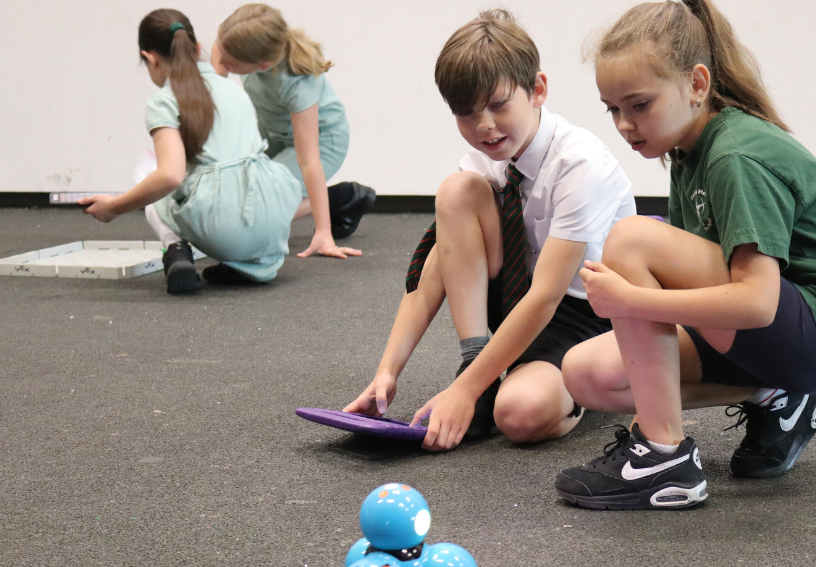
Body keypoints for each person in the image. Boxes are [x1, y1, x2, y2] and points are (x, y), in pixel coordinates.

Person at [555, 0, 816, 510]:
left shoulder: (734, 156)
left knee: (632, 238)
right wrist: (639, 308)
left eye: (638, 105)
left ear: (697, 85)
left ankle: (663, 459)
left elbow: (756, 304)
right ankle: (777, 397)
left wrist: (634, 301)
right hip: (770, 330)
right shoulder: (685, 152)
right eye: (612, 109)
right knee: (587, 375)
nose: (623, 124)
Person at [345, 10, 636, 451]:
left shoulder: (581, 165)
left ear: (537, 90)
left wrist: (465, 395)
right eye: (467, 113)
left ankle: (584, 390)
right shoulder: (483, 158)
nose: (484, 125)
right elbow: (434, 273)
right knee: (457, 192)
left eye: (499, 105)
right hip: (513, 298)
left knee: (518, 414)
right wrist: (387, 373)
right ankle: (475, 360)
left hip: (580, 315)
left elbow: (546, 296)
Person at [80, 9, 302, 293]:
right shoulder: (234, 89)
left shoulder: (164, 102)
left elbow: (170, 177)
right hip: (274, 217)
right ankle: (253, 265)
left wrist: (115, 207)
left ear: (150, 58)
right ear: (197, 48)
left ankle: (175, 248)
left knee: (153, 179)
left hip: (223, 227)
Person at [212, 3, 375, 260]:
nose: (219, 62)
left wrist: (323, 232)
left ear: (262, 65)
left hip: (322, 143)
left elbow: (308, 160)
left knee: (255, 215)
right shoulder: (236, 45)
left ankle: (335, 200)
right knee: (235, 196)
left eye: (228, 62)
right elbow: (217, 71)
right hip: (273, 133)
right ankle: (331, 197)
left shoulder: (297, 83)